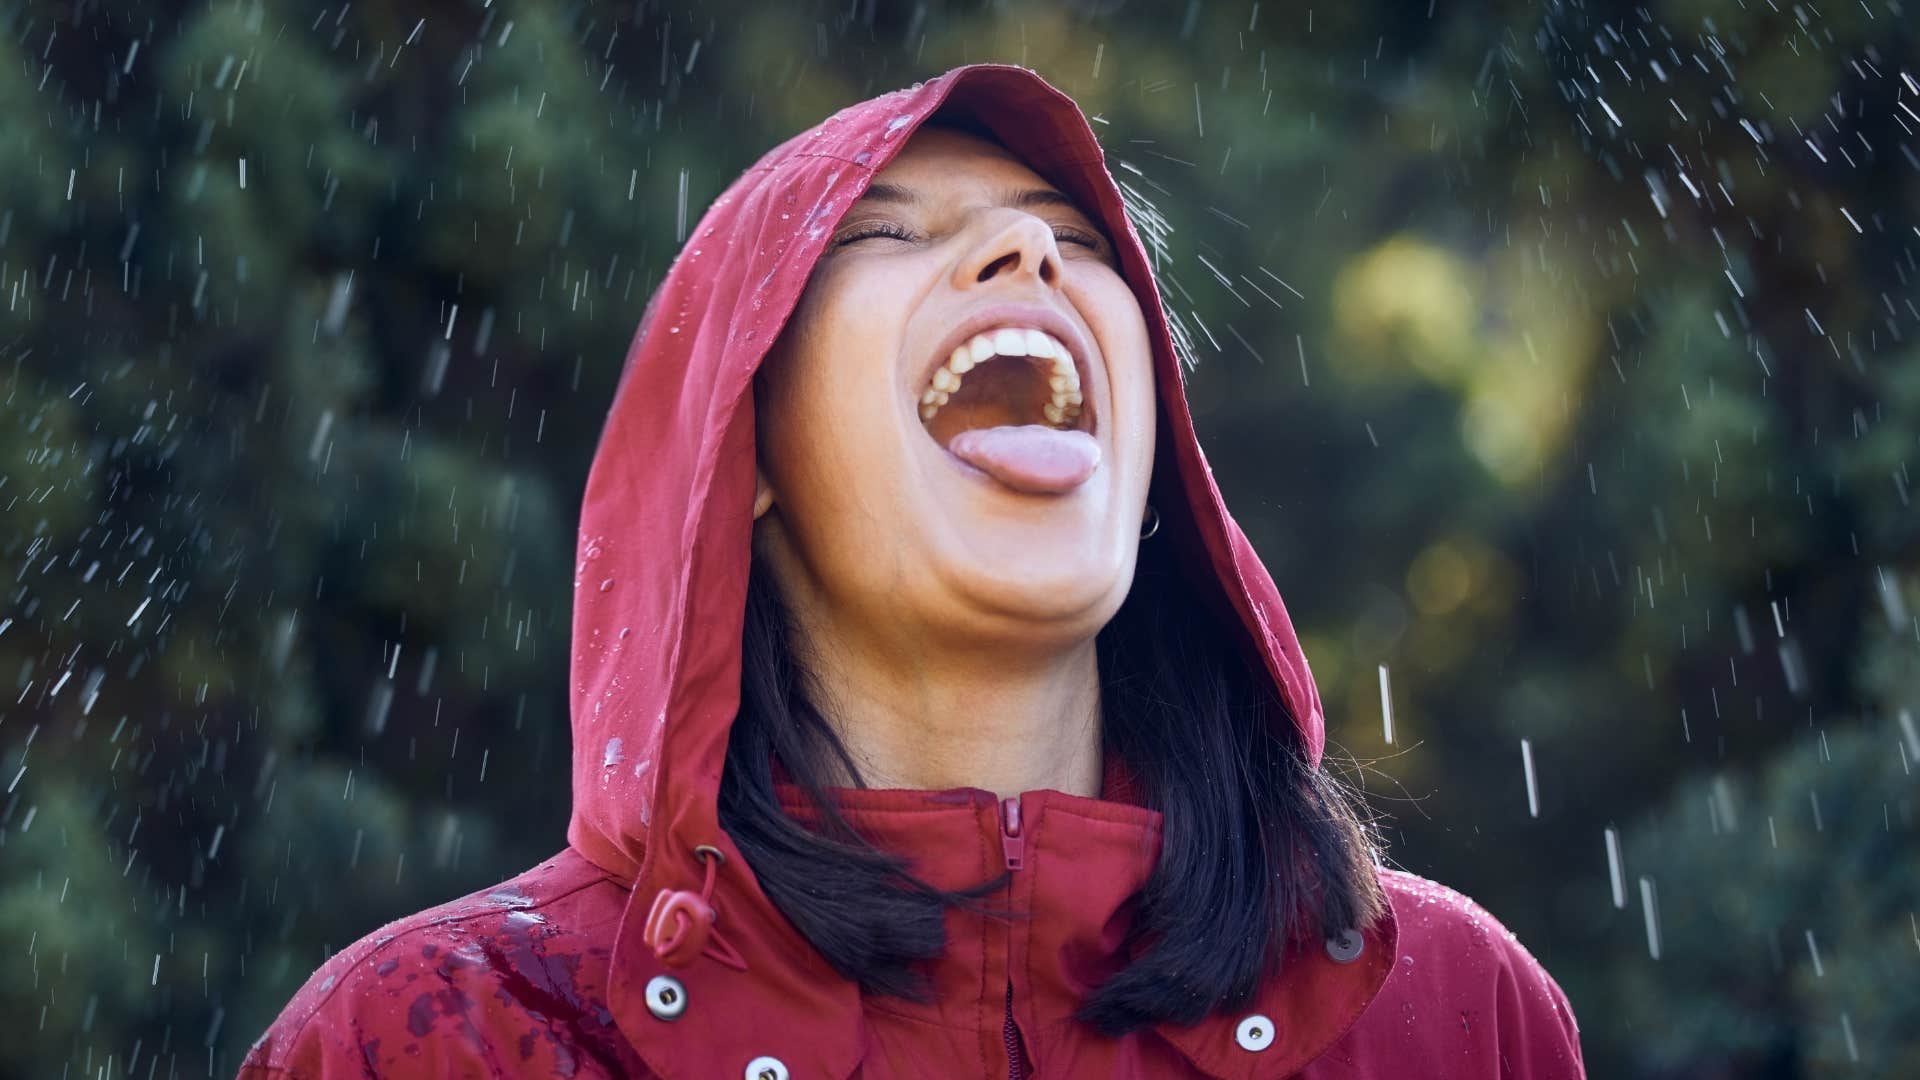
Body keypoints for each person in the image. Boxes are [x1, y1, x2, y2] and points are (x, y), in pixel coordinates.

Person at [240, 64, 1584, 1079]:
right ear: (740, 452)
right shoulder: (441, 1036)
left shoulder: (1448, 1014)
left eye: (1075, 232)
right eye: (885, 232)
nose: (1027, 252)